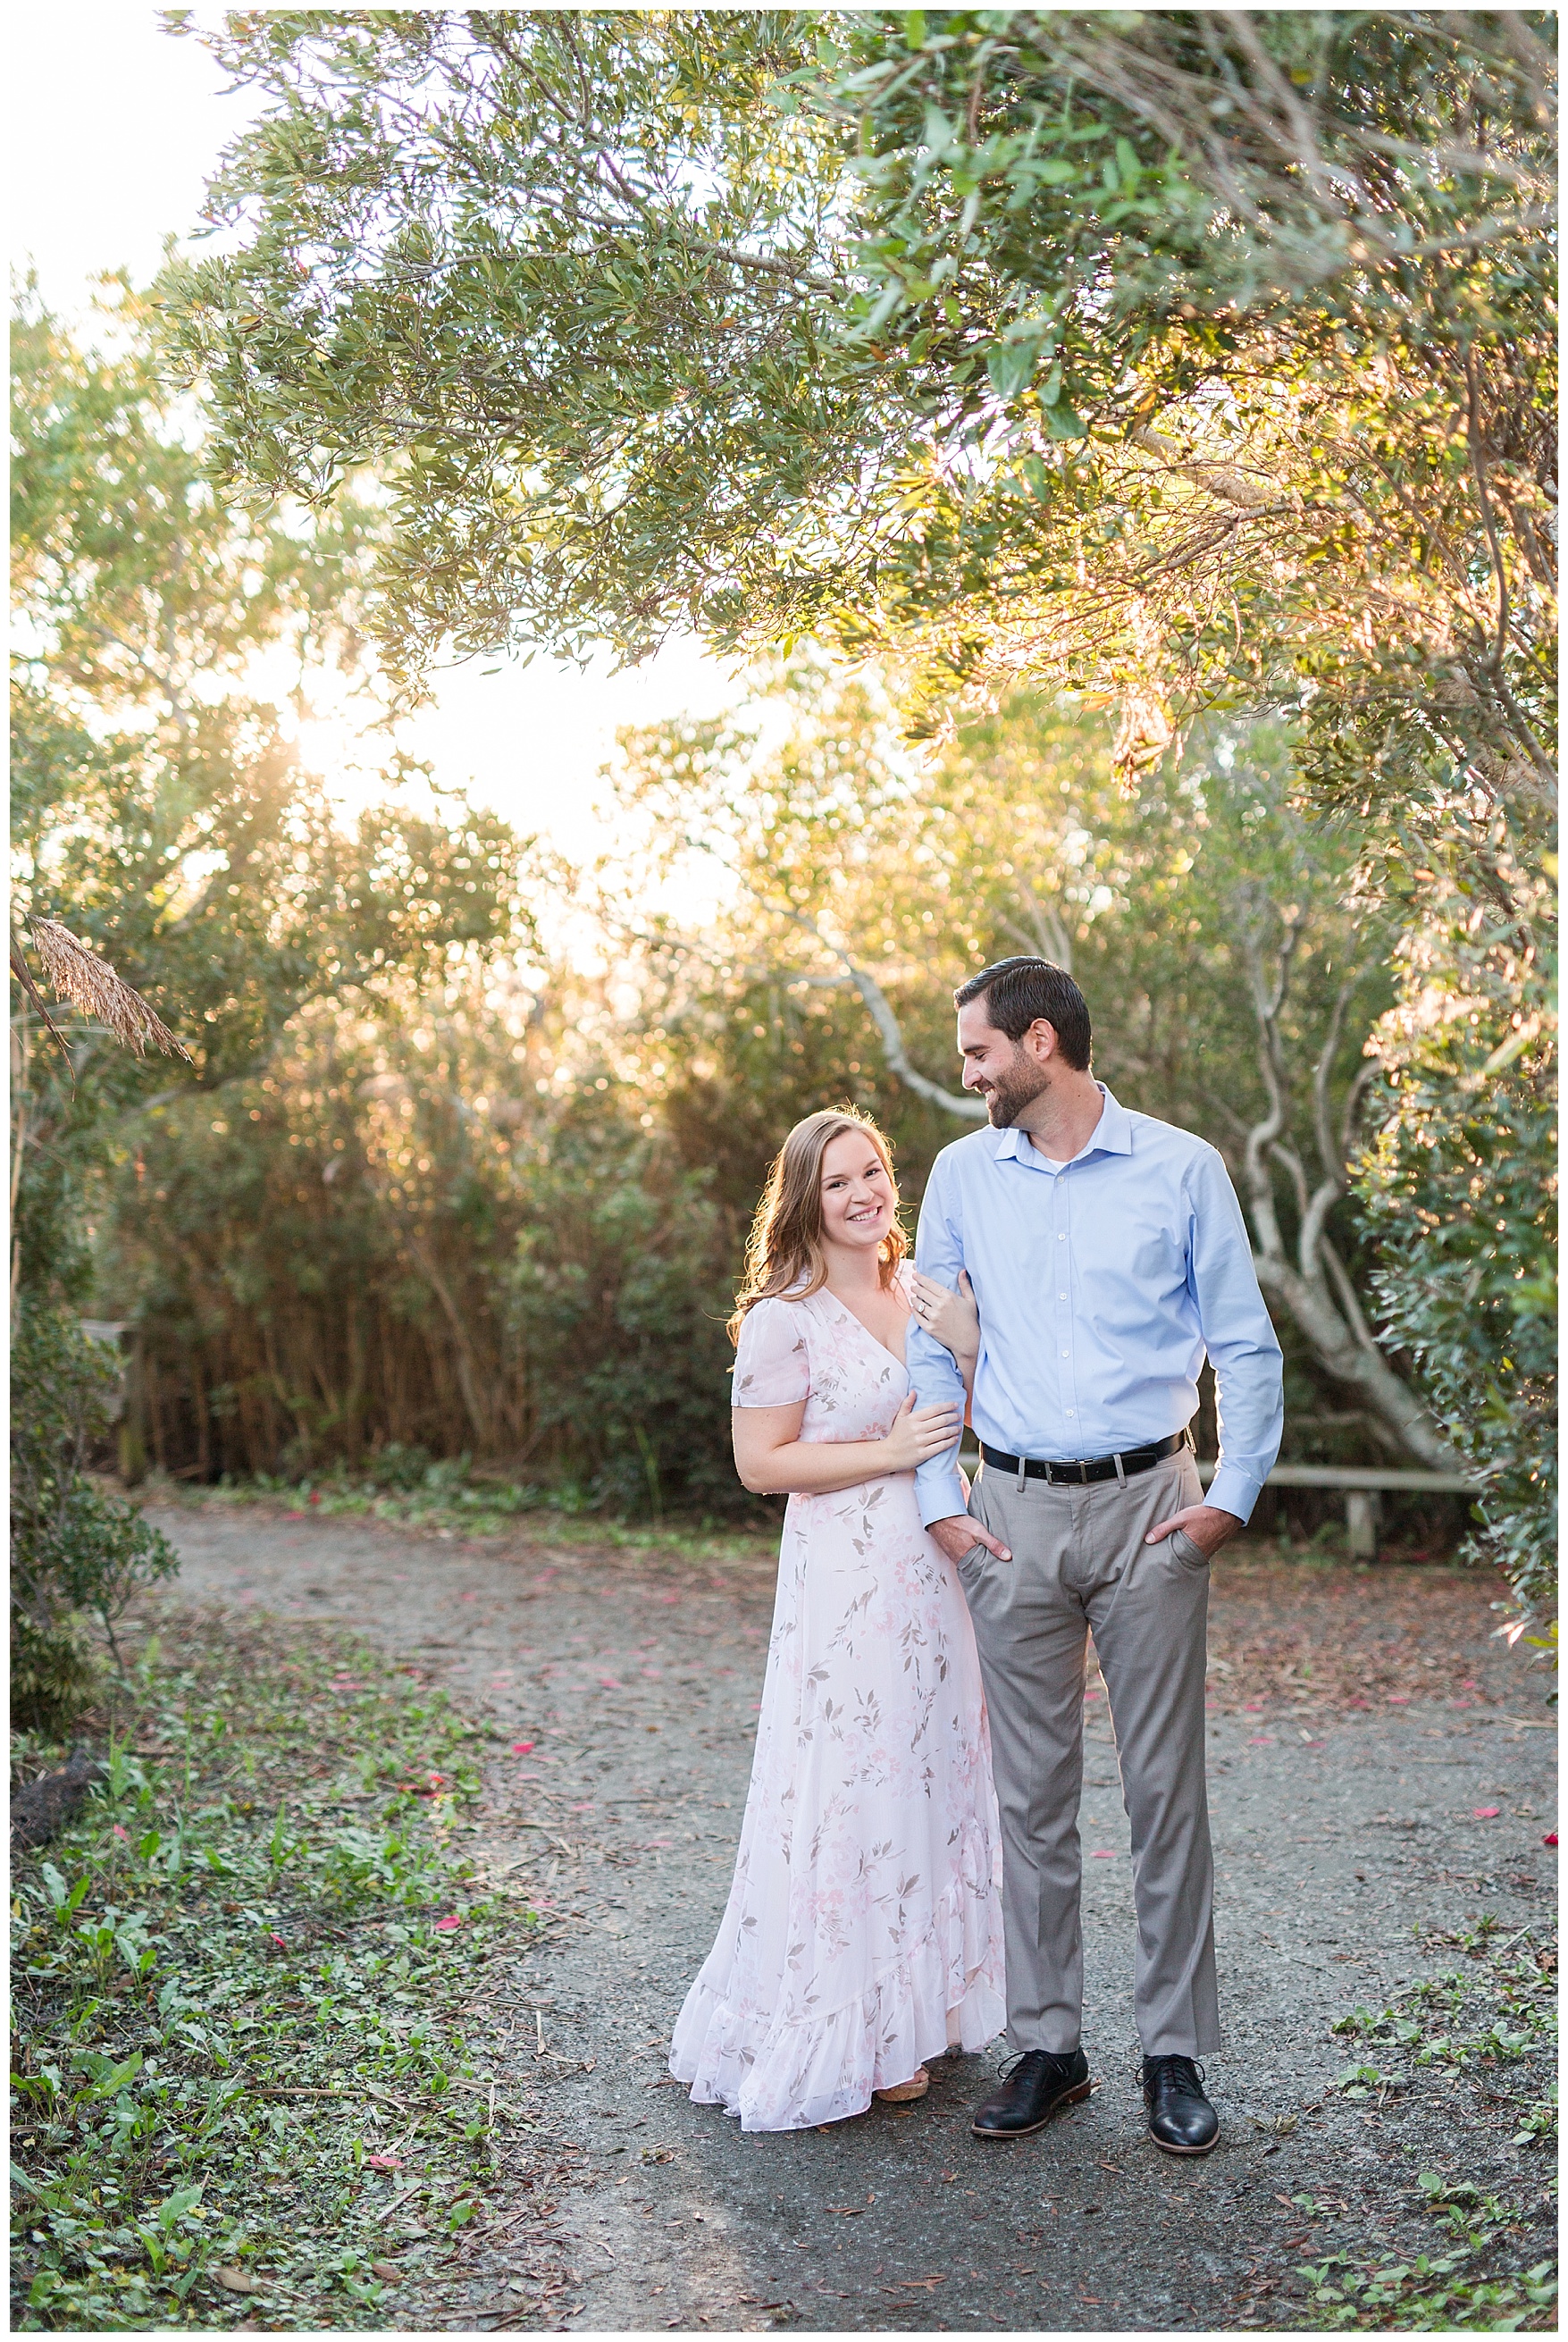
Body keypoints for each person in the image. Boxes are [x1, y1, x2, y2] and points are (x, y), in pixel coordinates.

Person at [905, 957, 1283, 2155]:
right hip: (1008, 1511)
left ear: (1036, 1043)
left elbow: (1246, 1344)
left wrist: (1225, 1498)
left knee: (1164, 1792)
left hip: (1149, 1510)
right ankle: (1049, 2046)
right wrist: (938, 1499)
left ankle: (1170, 2051)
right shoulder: (962, 1174)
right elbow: (929, 1341)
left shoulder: (1180, 1168)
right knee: (1031, 1798)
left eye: (977, 1053)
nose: (968, 1074)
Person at [669, 1108, 1006, 2131]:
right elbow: (760, 1463)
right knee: (859, 1782)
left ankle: (925, 2008)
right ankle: (852, 2025)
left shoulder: (918, 1291)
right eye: (838, 1182)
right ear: (805, 1200)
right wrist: (888, 1454)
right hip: (847, 1585)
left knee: (933, 1771)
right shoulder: (786, 1315)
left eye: (874, 1173)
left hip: (935, 1576)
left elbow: (978, 1420)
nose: (865, 1194)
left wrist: (973, 1346)